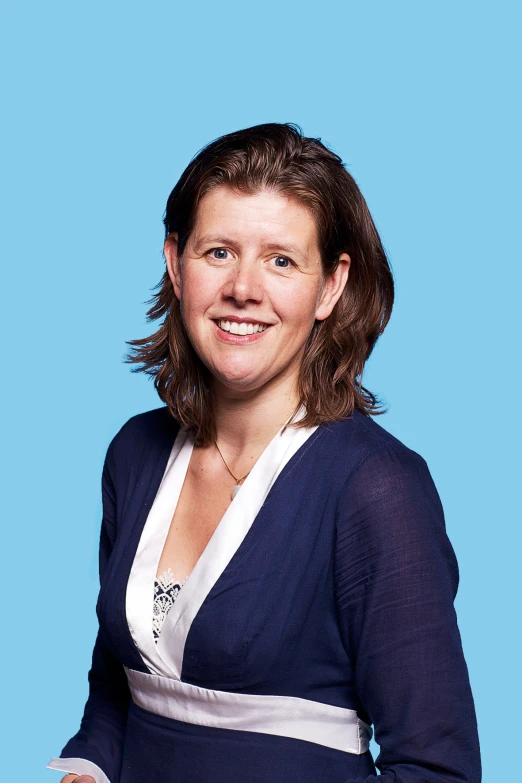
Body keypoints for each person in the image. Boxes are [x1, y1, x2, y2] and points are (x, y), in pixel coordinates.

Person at [47, 123, 481, 783]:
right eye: (218, 251)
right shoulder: (134, 455)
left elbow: (436, 769)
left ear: (331, 287)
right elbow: (118, 686)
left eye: (281, 260)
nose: (244, 288)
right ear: (176, 263)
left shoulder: (375, 488)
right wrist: (88, 769)